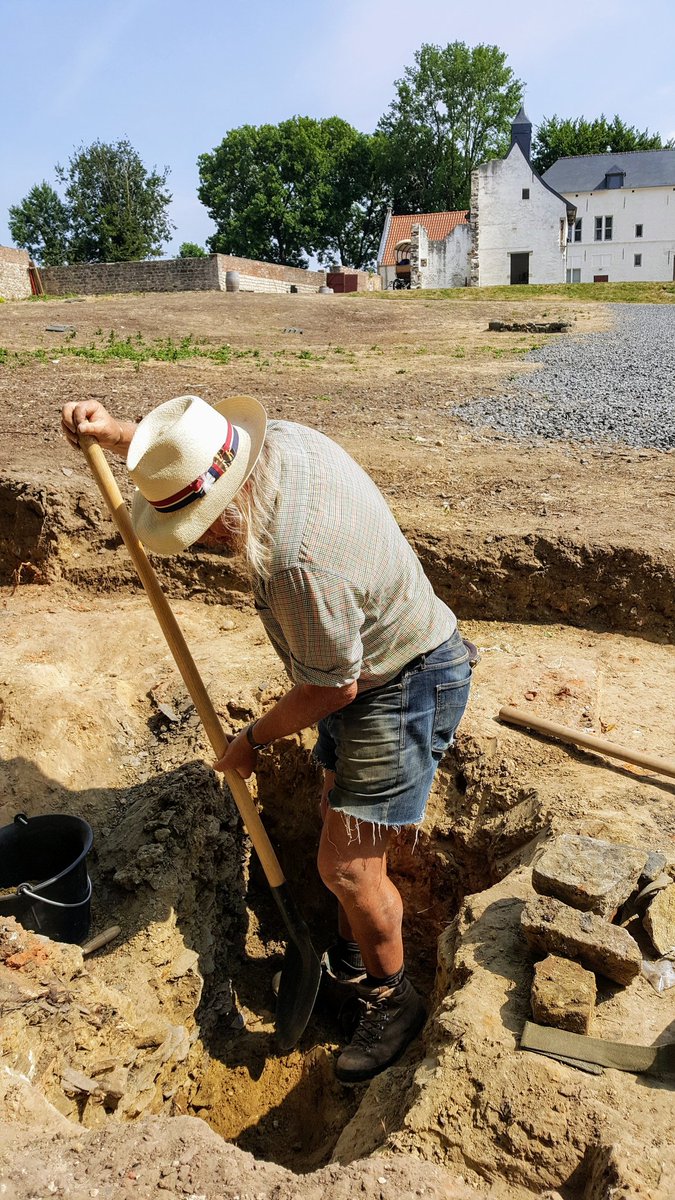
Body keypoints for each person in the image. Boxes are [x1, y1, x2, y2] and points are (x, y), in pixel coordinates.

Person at [62, 392, 472, 1084]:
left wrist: (250, 739)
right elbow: (198, 450)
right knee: (331, 819)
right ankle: (347, 954)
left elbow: (329, 690)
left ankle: (391, 999)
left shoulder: (295, 563)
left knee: (347, 869)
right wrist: (119, 436)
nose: (207, 542)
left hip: (402, 683)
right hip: (367, 653)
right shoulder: (275, 442)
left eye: (202, 528)